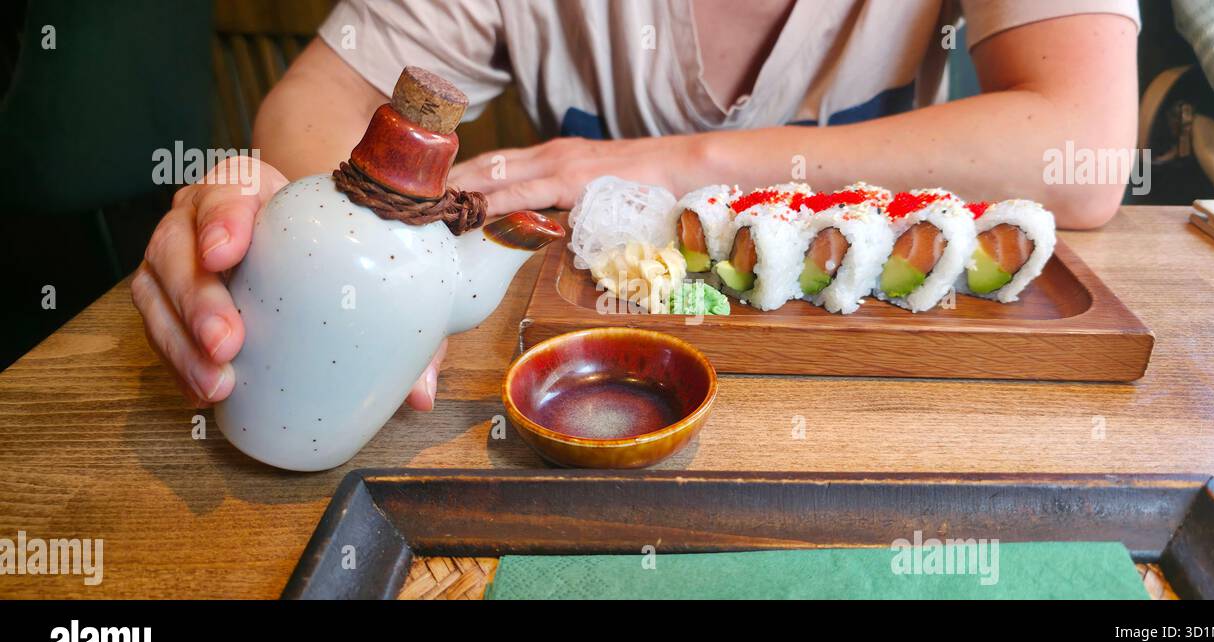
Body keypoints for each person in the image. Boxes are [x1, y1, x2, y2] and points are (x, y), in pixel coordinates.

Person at [132, 0, 1140, 409]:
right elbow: (309, 106)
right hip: (605, 388)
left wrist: (672, 165)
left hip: (895, 390)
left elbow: (1085, 148)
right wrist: (354, 258)